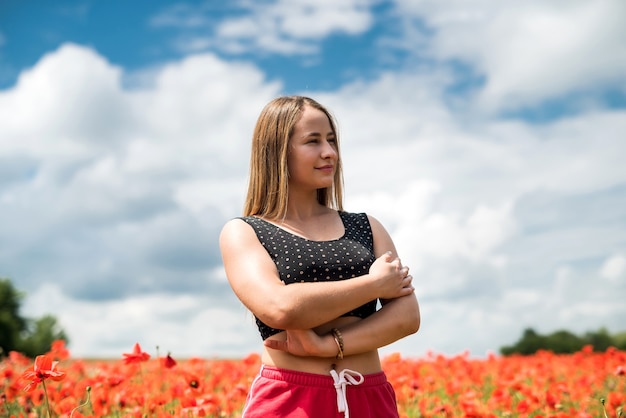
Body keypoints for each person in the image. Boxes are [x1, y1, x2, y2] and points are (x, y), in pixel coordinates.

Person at [219, 96, 420, 417]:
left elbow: (407, 317)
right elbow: (280, 307)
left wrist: (328, 345)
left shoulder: (367, 226)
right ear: (276, 152)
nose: (329, 152)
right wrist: (375, 284)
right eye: (313, 141)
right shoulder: (244, 232)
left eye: (331, 140)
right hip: (290, 398)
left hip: (368, 397)